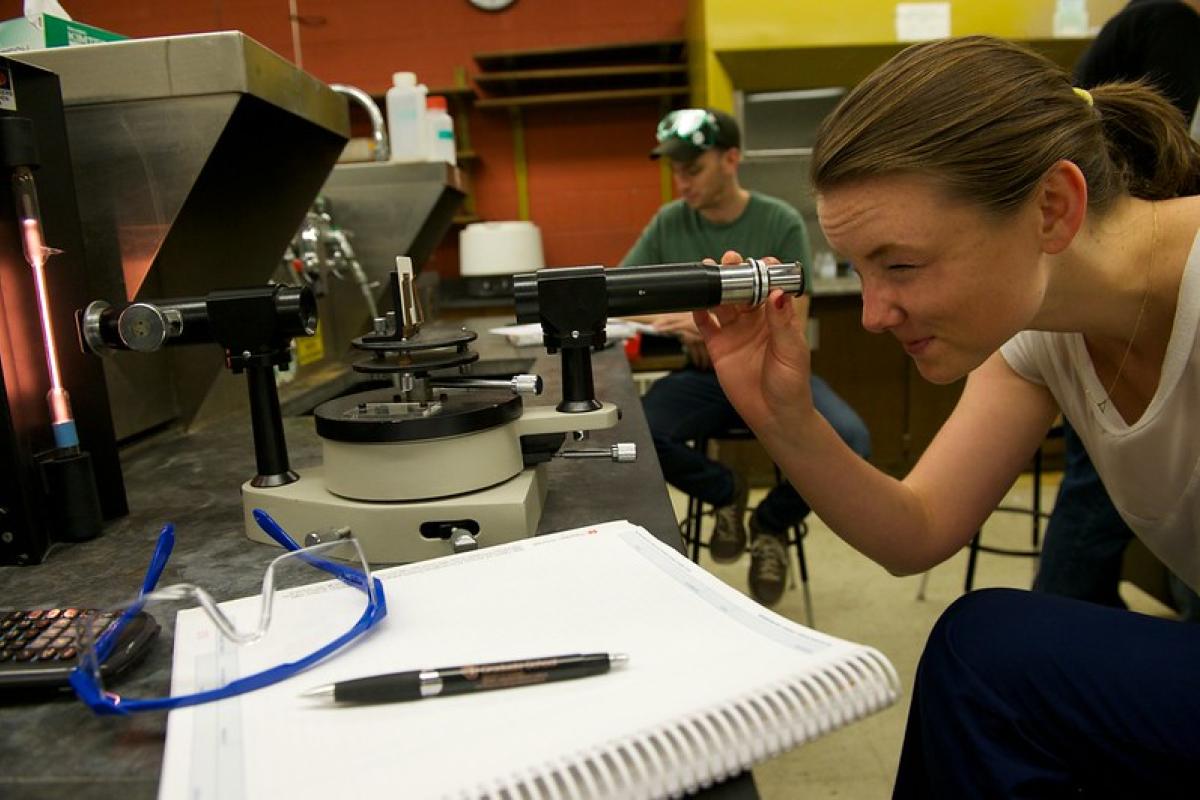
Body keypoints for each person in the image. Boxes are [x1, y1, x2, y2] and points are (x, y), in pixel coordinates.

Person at [693, 36, 1200, 795]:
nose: (872, 312)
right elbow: (918, 529)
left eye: (900, 265)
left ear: (1052, 209)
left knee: (989, 656)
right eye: (862, 271)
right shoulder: (1043, 330)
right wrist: (782, 417)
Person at [621, 108, 871, 606]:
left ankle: (769, 524)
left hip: (772, 376)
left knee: (852, 439)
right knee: (639, 433)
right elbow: (627, 297)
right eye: (675, 170)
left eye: (692, 168)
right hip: (705, 377)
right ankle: (724, 491)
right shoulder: (670, 222)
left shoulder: (778, 221)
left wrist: (701, 319)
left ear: (731, 159)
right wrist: (689, 323)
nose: (681, 181)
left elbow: (794, 317)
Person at [1036, 0, 1200, 620]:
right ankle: (1070, 615)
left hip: (1112, 249)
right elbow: (1168, 149)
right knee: (1101, 484)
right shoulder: (1173, 25)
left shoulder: (1142, 22)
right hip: (1124, 269)